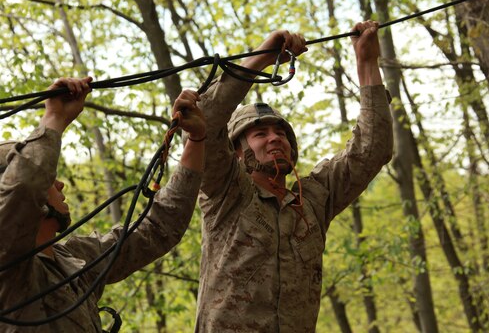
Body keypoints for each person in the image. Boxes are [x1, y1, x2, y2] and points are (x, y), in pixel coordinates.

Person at [192, 20, 393, 332]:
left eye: (280, 133)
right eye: (260, 134)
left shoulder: (312, 199)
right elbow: (206, 119)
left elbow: (372, 148)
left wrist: (367, 62)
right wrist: (262, 57)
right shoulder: (224, 192)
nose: (275, 138)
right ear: (235, 151)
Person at [0, 77, 206, 332]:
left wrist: (195, 141)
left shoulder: (74, 258)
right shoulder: (9, 269)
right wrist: (53, 118)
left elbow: (158, 228)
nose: (61, 185)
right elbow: (23, 187)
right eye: (50, 179)